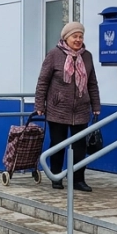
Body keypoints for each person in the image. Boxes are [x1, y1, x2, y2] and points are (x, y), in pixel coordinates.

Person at [34, 22, 101, 191]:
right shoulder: (54, 55)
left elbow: (92, 83)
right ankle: (56, 176)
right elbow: (43, 81)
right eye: (74, 36)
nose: (78, 40)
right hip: (58, 108)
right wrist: (39, 104)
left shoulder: (87, 56)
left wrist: (96, 104)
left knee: (80, 146)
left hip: (81, 109)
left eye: (80, 36)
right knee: (58, 144)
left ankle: (78, 179)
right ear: (66, 38)